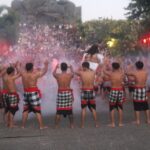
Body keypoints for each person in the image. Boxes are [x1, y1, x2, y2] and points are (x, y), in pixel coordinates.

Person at [20, 61, 49, 129]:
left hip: (26, 92)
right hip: (33, 93)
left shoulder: (23, 74)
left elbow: (18, 68)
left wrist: (18, 65)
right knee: (37, 110)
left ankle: (23, 126)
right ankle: (41, 126)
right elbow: (44, 72)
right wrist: (46, 65)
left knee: (26, 110)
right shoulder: (34, 75)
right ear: (31, 68)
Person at [76, 62, 99, 128]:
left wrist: (80, 68)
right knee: (93, 108)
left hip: (84, 91)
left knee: (83, 109)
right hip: (91, 91)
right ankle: (96, 124)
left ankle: (82, 125)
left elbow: (74, 71)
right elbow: (99, 73)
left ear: (84, 67)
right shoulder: (93, 72)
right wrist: (88, 68)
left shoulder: (81, 73)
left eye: (82, 67)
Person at [126, 61, 150, 125]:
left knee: (137, 106)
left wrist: (130, 67)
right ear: (142, 66)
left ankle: (138, 121)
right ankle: (148, 120)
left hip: (137, 89)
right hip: (144, 89)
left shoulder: (135, 73)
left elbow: (127, 73)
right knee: (146, 106)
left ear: (136, 66)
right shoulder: (146, 72)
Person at [104, 62, 125, 127]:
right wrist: (120, 66)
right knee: (120, 107)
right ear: (118, 67)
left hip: (113, 90)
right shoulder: (122, 73)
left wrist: (105, 63)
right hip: (120, 90)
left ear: (113, 67)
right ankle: (120, 123)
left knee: (112, 107)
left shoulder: (111, 73)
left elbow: (104, 71)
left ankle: (113, 124)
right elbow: (123, 70)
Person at [53, 62, 74, 128]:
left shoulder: (58, 75)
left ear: (61, 68)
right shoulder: (70, 75)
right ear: (66, 68)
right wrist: (71, 67)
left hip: (61, 93)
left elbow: (53, 73)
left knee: (59, 111)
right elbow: (73, 73)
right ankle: (71, 125)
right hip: (68, 92)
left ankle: (56, 125)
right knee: (69, 110)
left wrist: (56, 67)